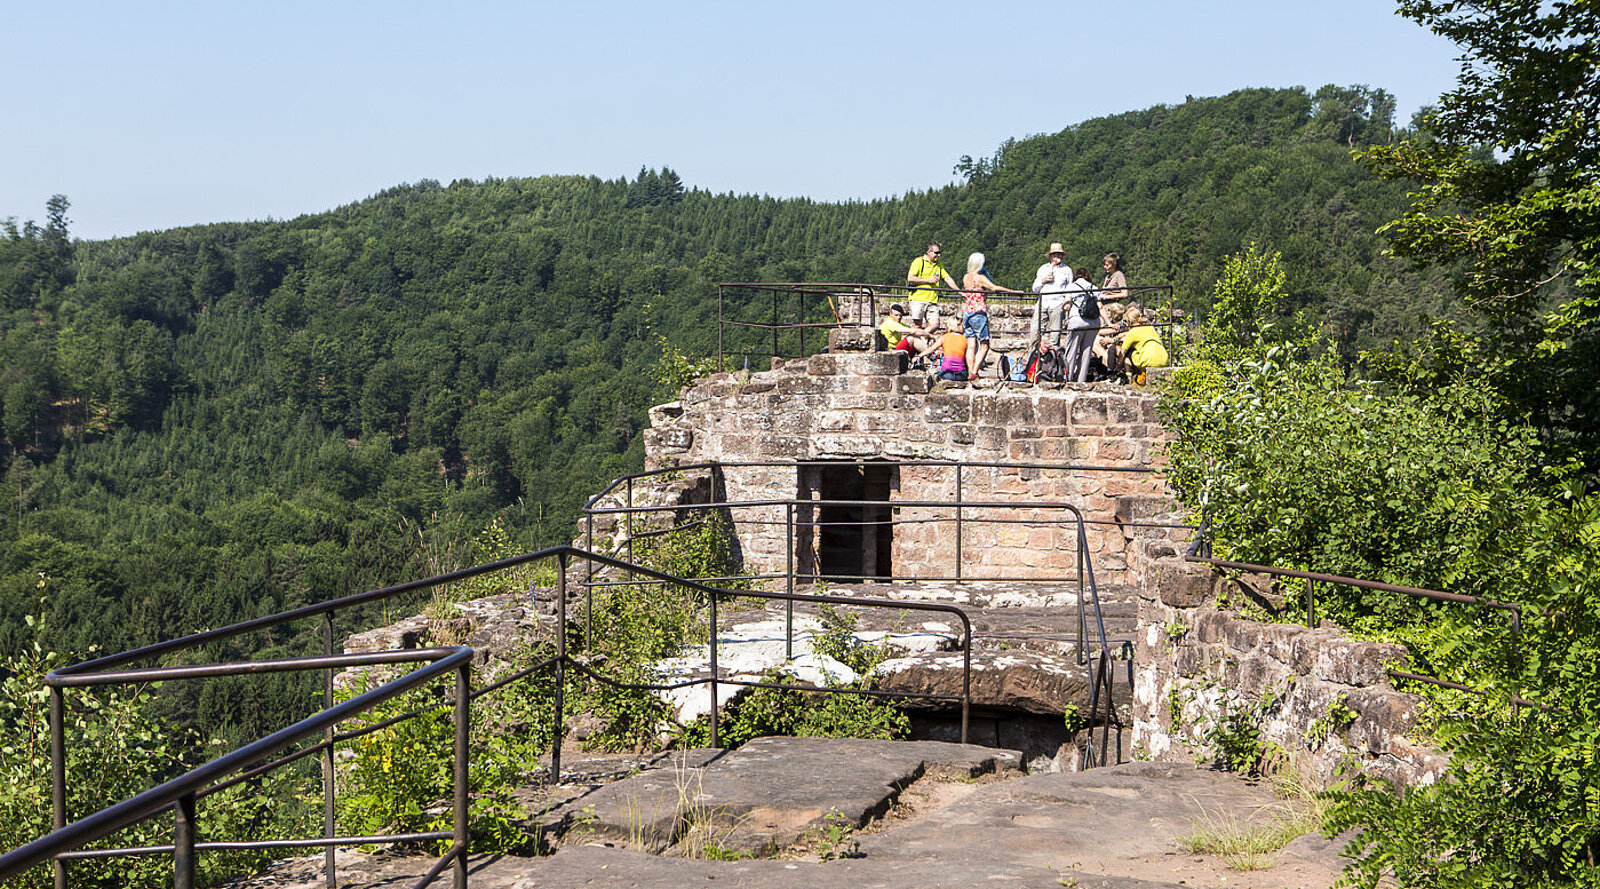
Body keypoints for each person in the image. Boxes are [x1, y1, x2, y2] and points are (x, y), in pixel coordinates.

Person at [961, 252, 1021, 380]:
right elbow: (994, 288)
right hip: (978, 312)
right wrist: (1013, 292)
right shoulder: (980, 278)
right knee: (984, 345)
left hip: (968, 312)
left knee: (971, 345)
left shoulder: (966, 277)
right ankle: (974, 371)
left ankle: (971, 371)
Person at [1029, 242, 1072, 349]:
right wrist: (1043, 280)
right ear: (1051, 256)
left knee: (1055, 334)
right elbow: (1035, 288)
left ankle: (1054, 357)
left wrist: (1067, 301)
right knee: (1035, 331)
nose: (1059, 256)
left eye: (1060, 254)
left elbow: (1070, 288)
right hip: (1043, 303)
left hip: (1057, 303)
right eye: (1056, 254)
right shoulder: (1043, 268)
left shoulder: (1067, 270)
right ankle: (1032, 356)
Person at [1061, 267, 1101, 382]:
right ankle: (1081, 380)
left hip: (1077, 321)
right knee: (1086, 351)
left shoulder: (1071, 287)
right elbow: (1100, 306)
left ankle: (1068, 378)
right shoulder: (1094, 288)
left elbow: (1067, 306)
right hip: (1094, 322)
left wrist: (1063, 306)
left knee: (1072, 350)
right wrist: (1109, 323)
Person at [906, 242, 959, 330]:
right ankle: (917, 338)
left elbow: (947, 278)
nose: (939, 255)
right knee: (917, 326)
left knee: (935, 324)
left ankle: (922, 337)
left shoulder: (939, 264)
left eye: (939, 253)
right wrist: (928, 280)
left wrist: (959, 291)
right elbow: (910, 278)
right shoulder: (919, 261)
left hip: (932, 300)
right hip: (918, 299)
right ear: (929, 252)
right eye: (936, 253)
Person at [1116, 306, 1170, 385]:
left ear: (1129, 322)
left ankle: (1128, 376)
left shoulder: (1132, 332)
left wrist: (1118, 366)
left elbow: (1122, 352)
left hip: (1148, 361)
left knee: (1128, 353)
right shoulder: (1150, 328)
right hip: (1164, 359)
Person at [923, 315, 971, 382]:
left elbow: (932, 349)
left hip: (946, 374)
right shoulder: (966, 339)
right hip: (961, 375)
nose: (964, 327)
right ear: (957, 326)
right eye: (962, 325)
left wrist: (919, 355)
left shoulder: (944, 337)